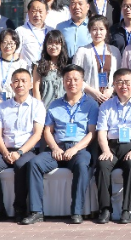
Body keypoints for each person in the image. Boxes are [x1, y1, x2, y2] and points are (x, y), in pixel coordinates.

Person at [24, 64, 98, 225]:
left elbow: (92, 133)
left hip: (79, 149)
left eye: (76, 79)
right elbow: (47, 131)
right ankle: (36, 211)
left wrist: (75, 148)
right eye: (68, 79)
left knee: (82, 165)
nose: (72, 83)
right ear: (63, 82)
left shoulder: (91, 104)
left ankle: (76, 212)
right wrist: (55, 148)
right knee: (34, 163)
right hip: (57, 148)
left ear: (82, 81)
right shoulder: (54, 104)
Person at [0, 68, 45, 223]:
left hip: (27, 150)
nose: (20, 84)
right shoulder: (2, 107)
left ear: (30, 84)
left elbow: (37, 134)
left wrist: (19, 152)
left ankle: (20, 208)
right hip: (5, 150)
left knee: (21, 164)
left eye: (24, 81)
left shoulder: (37, 106)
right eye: (16, 81)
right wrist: (5, 153)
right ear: (11, 85)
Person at [94, 69, 131, 224]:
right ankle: (105, 209)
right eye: (119, 82)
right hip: (112, 147)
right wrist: (105, 150)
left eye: (127, 82)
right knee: (102, 165)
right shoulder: (106, 106)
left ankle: (127, 209)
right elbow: (101, 132)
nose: (123, 86)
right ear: (114, 84)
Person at [72, 16, 121, 104]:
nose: (98, 33)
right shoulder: (82, 51)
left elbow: (120, 76)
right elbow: (75, 76)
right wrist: (93, 92)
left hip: (110, 99)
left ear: (106, 31)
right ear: (89, 31)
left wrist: (112, 90)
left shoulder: (115, 51)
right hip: (88, 99)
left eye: (101, 29)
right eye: (94, 29)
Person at [32, 31, 68, 108]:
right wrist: (39, 109)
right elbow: (36, 89)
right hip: (45, 108)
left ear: (62, 45)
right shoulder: (39, 65)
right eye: (50, 43)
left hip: (64, 109)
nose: (53, 46)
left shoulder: (67, 66)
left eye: (57, 43)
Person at [16, 0, 50, 65]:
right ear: (28, 13)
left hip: (47, 70)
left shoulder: (51, 31)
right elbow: (15, 54)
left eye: (40, 11)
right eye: (34, 11)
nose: (37, 15)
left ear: (46, 13)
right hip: (27, 70)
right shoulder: (20, 31)